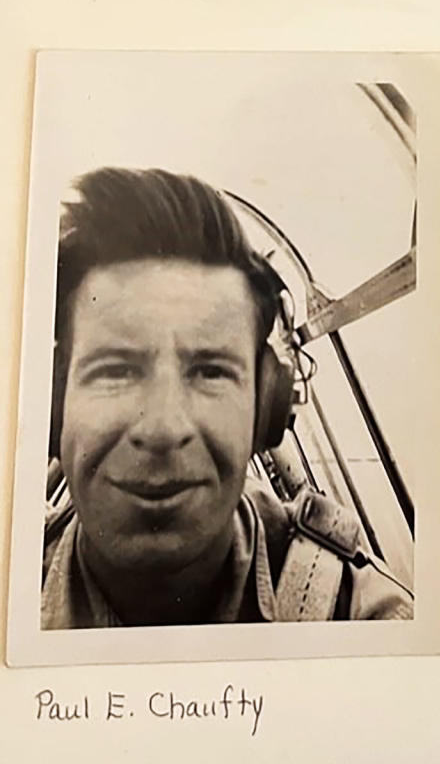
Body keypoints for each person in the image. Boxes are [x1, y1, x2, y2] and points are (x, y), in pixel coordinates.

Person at [41, 167, 413, 628]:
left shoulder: (365, 620)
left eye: (210, 372)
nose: (162, 428)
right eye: (116, 370)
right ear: (55, 402)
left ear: (267, 406)